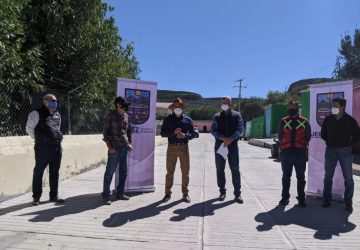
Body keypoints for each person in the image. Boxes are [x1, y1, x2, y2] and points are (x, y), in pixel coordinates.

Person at [321, 97, 360, 212]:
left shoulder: (350, 120)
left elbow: (357, 134)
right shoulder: (328, 119)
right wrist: (331, 141)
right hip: (330, 151)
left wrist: (349, 144)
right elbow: (323, 134)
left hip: (345, 151)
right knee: (328, 177)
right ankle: (326, 200)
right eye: (332, 106)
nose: (333, 108)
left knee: (348, 178)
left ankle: (348, 203)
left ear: (342, 107)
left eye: (335, 106)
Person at [26, 93, 64, 206]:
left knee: (54, 172)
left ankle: (54, 196)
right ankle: (36, 197)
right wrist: (39, 139)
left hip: (57, 147)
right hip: (43, 147)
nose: (54, 102)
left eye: (55, 101)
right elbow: (29, 129)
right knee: (38, 172)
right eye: (52, 100)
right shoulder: (36, 113)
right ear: (45, 101)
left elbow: (58, 128)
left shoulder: (57, 114)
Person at [160, 98, 199, 203]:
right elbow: (163, 133)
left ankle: (185, 194)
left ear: (182, 108)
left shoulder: (188, 120)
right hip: (171, 147)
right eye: (176, 106)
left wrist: (185, 135)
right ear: (173, 108)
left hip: (184, 147)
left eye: (179, 106)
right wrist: (173, 132)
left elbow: (194, 134)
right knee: (169, 172)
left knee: (185, 172)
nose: (178, 108)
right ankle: (167, 194)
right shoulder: (168, 119)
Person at [278, 101, 311, 207]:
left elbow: (308, 136)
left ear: (297, 108)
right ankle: (285, 198)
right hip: (287, 152)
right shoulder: (283, 121)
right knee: (286, 176)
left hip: (300, 152)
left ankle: (301, 199)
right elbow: (280, 136)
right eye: (289, 107)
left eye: (293, 107)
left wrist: (301, 145)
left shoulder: (304, 121)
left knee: (301, 177)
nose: (291, 109)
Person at [211, 96, 244, 203]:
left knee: (235, 169)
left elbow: (240, 129)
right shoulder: (216, 116)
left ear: (231, 103)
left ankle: (237, 194)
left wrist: (231, 139)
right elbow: (213, 130)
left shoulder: (237, 115)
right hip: (220, 145)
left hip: (233, 145)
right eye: (222, 102)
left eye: (226, 102)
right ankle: (222, 192)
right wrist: (223, 138)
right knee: (220, 169)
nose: (224, 104)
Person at [102, 96, 133, 205]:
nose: (126, 107)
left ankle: (120, 193)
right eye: (124, 105)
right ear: (118, 105)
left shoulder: (126, 116)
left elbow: (129, 131)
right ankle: (105, 196)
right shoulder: (110, 116)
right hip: (114, 148)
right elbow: (105, 133)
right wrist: (110, 147)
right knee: (109, 173)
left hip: (124, 148)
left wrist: (130, 143)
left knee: (124, 172)